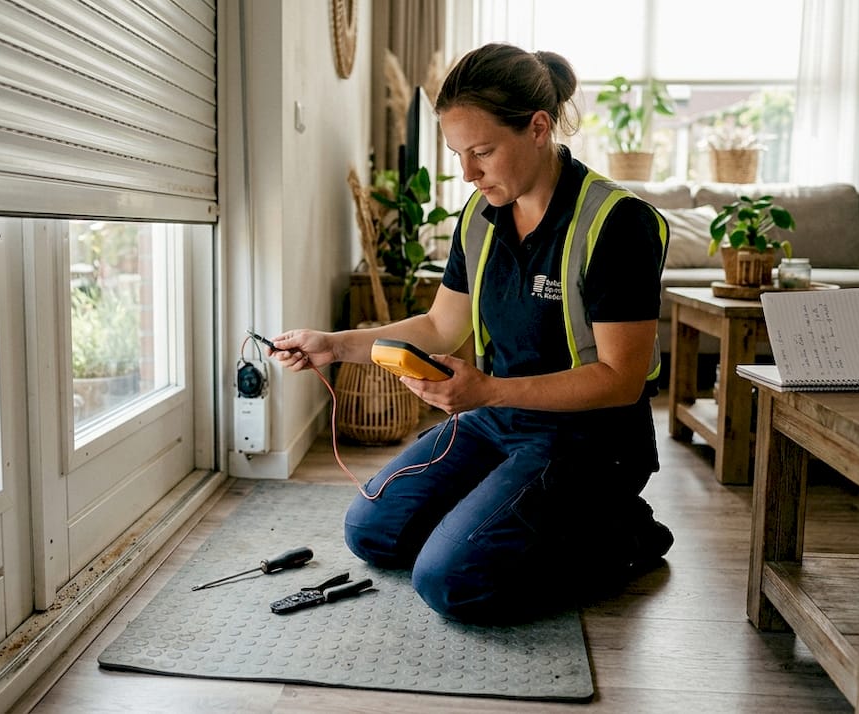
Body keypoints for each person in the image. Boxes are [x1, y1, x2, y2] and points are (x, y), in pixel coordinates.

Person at [269, 43, 672, 624]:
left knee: (450, 581)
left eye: (482, 152)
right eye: (458, 154)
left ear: (539, 129)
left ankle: (621, 531)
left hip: (589, 438)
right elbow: (441, 325)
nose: (468, 173)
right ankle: (502, 516)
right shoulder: (479, 217)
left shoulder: (618, 224)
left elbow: (621, 379)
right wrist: (334, 346)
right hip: (497, 418)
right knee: (371, 531)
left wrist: (489, 390)